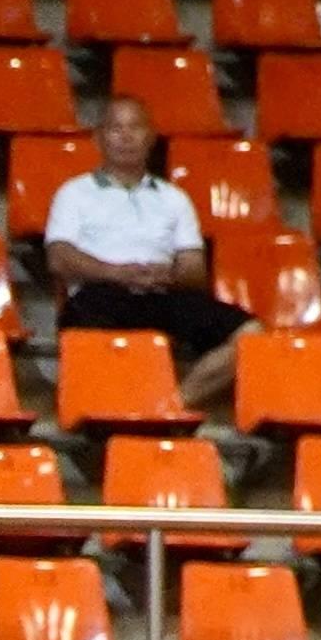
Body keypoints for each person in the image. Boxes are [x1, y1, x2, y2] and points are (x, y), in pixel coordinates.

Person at [43, 97, 243, 422]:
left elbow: (194, 268)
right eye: (116, 128)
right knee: (84, 323)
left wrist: (168, 275)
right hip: (102, 292)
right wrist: (117, 273)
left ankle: (171, 403)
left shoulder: (174, 198)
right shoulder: (74, 193)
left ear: (150, 137)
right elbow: (59, 259)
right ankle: (111, 412)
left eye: (135, 128)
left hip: (163, 292)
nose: (126, 136)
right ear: (99, 138)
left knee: (251, 336)